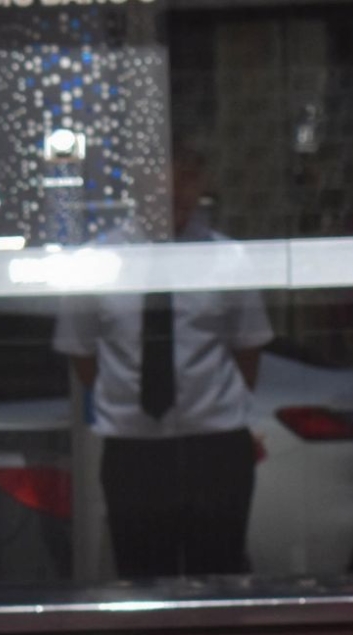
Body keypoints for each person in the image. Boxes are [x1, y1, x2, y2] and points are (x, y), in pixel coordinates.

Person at [54, 146, 273, 579]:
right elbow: (82, 352)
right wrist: (125, 400)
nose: (175, 192)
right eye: (162, 180)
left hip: (216, 442)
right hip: (133, 447)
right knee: (140, 575)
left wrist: (213, 403)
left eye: (187, 179)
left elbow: (248, 347)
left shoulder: (228, 258)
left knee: (219, 573)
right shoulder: (99, 261)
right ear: (138, 185)